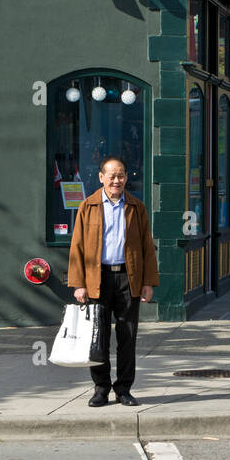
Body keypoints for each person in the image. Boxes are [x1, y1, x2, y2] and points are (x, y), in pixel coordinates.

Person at [67, 157, 160, 407]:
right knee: (98, 338)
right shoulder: (88, 206)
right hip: (97, 279)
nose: (116, 180)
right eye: (111, 176)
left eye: (120, 176)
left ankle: (123, 389)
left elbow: (146, 247)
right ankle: (101, 389)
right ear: (101, 177)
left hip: (128, 278)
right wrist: (79, 284)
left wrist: (148, 282)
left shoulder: (136, 207)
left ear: (126, 177)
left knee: (127, 336)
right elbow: (77, 247)